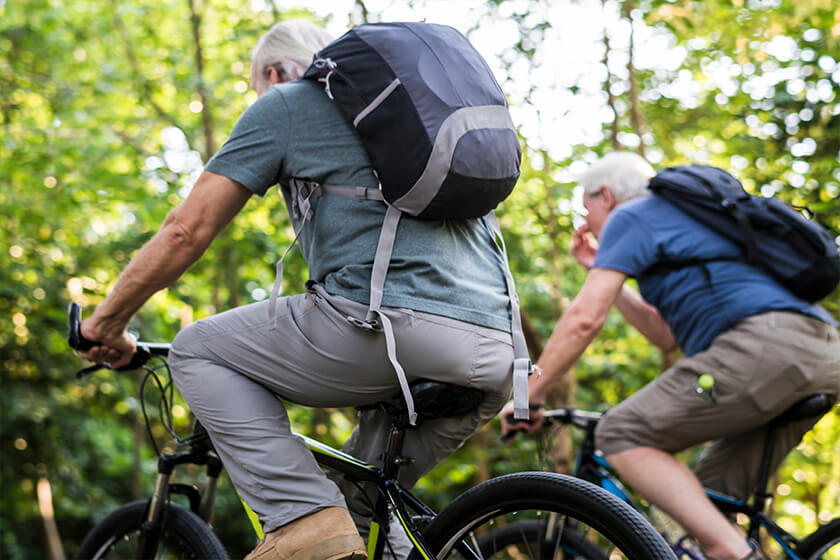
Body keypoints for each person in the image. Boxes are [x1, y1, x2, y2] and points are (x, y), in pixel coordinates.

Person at [75, 20, 517, 560]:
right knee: (363, 505)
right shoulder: (406, 124)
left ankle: (298, 519)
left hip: (394, 331)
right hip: (498, 353)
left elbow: (184, 231)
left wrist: (107, 323)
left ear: (272, 73)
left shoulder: (287, 101)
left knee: (196, 350)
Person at [500, 152, 840, 560]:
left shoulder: (632, 215)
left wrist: (527, 396)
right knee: (707, 506)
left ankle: (736, 553)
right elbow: (664, 336)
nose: (586, 222)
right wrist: (604, 272)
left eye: (585, 209)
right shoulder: (681, 220)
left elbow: (584, 320)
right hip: (821, 350)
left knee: (621, 433)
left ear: (605, 195)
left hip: (766, 348)